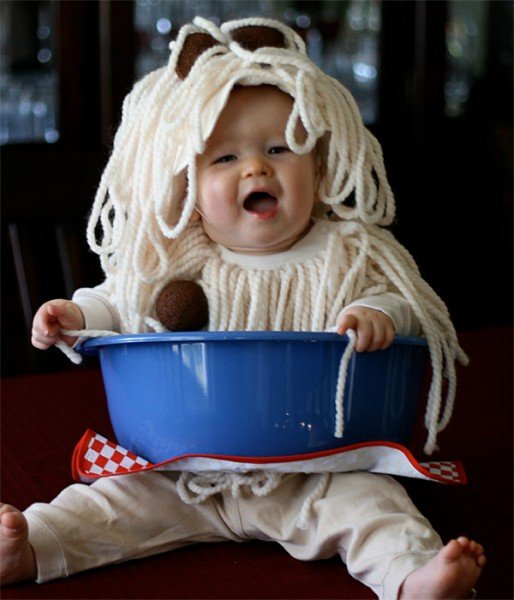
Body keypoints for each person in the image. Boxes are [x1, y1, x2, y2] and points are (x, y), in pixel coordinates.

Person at [1, 17, 485, 598]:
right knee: (106, 503)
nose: (256, 167)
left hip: (317, 469)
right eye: (225, 158)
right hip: (182, 470)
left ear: (321, 166)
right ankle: (32, 547)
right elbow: (120, 304)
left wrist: (376, 311)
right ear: (189, 186)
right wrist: (75, 317)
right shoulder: (174, 257)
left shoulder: (349, 252)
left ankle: (412, 576)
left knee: (376, 505)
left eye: (279, 148)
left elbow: (406, 303)